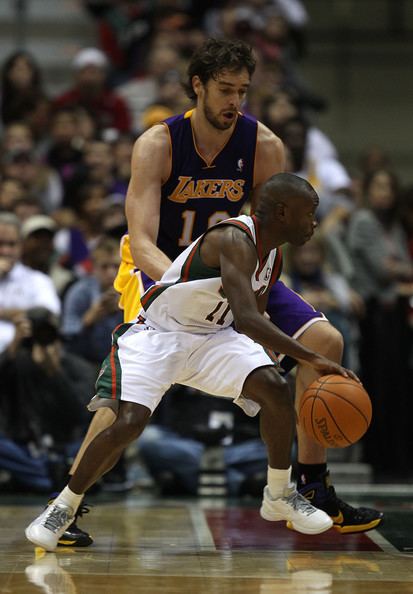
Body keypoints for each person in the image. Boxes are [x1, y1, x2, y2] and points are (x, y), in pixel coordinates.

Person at [49, 37, 382, 546]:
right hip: (162, 274)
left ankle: (313, 488)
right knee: (124, 403)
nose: (234, 101)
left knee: (326, 343)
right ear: (198, 86)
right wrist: (186, 290)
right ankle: (65, 507)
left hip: (241, 271)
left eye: (243, 92)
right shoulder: (158, 143)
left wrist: (258, 305)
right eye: (225, 90)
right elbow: (140, 240)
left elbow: (276, 230)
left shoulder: (263, 146)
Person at [26, 173, 359, 551]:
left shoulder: (273, 255)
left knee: (275, 389)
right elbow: (248, 317)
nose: (315, 221)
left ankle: (279, 494)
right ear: (283, 212)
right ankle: (63, 506)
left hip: (213, 338)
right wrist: (311, 357)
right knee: (129, 422)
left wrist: (270, 366)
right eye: (310, 212)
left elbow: (253, 323)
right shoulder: (234, 239)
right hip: (159, 336)